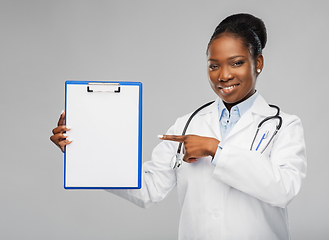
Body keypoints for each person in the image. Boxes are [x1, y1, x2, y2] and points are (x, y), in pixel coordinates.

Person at [51, 13, 306, 240]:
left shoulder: (283, 125)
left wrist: (216, 150)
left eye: (236, 62)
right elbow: (148, 189)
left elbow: (283, 189)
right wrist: (83, 154)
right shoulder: (187, 124)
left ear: (258, 63)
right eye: (214, 65)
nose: (223, 75)